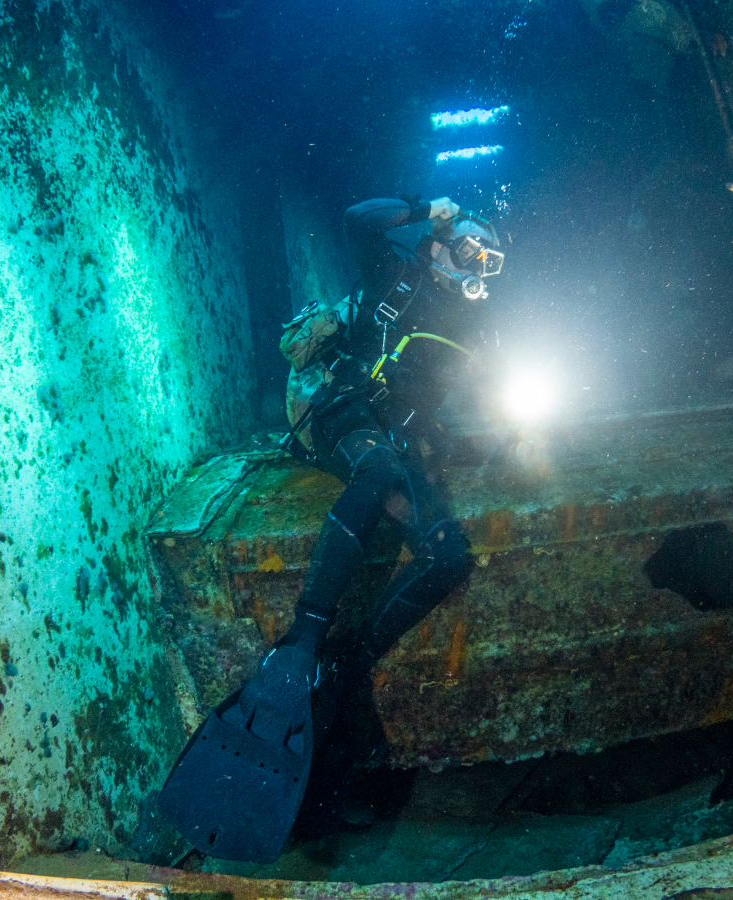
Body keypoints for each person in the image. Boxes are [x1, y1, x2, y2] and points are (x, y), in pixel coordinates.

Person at [159, 196, 506, 863]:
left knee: (447, 553)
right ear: (439, 244)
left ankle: (348, 660)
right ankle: (303, 642)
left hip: (397, 440)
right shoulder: (394, 275)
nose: (473, 259)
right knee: (374, 475)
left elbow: (483, 392)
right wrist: (421, 211)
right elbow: (354, 220)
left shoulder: (474, 318)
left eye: (485, 254)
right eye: (465, 245)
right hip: (341, 412)